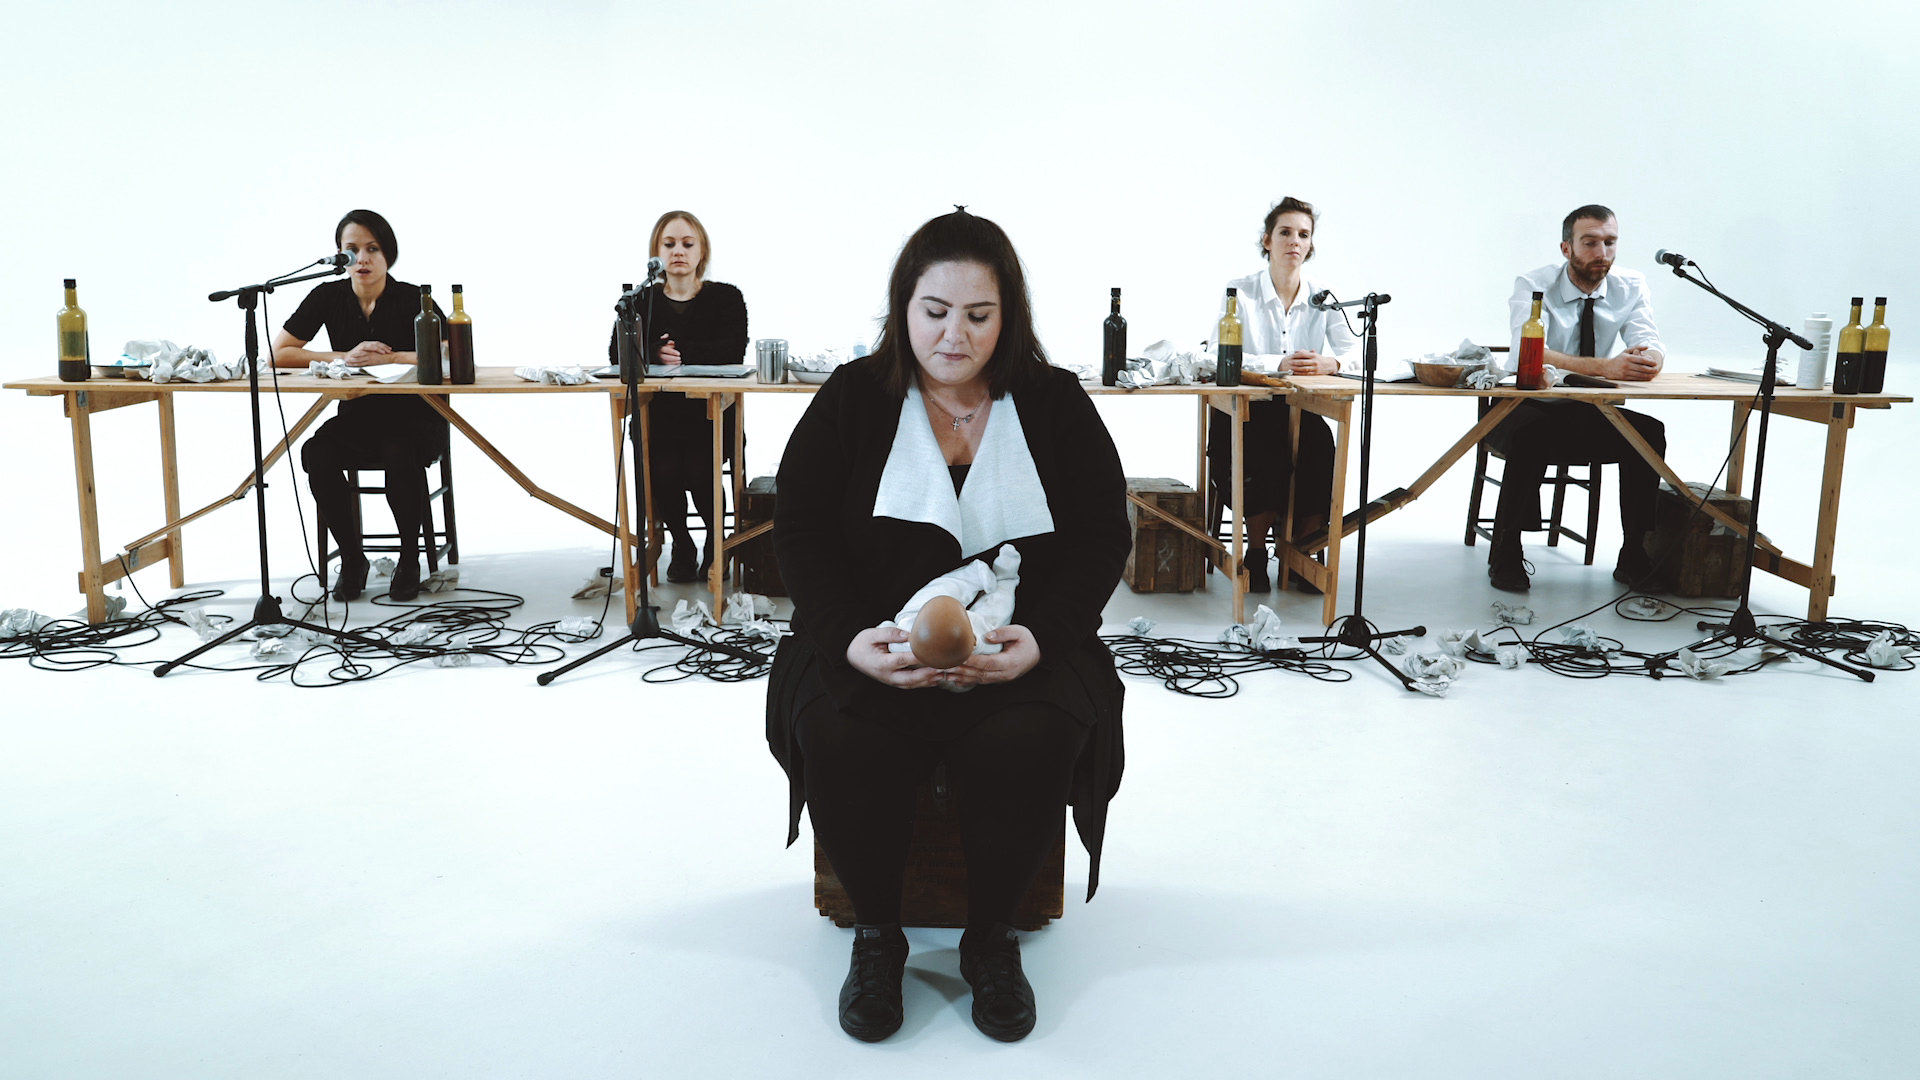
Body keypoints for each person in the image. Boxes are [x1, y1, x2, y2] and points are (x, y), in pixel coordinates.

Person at [766, 209, 1129, 1043]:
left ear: (1009, 317)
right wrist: (849, 638)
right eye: (934, 312)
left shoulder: (1053, 401)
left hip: (1016, 643)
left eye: (978, 314)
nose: (954, 335)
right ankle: (877, 935)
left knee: (1033, 733)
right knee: (843, 730)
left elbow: (1103, 535)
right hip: (875, 642)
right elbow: (800, 531)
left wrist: (1042, 639)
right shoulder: (853, 398)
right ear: (903, 309)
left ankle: (990, 938)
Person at [1487, 204, 1667, 592]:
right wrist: (1607, 367)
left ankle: (1633, 553)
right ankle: (1506, 550)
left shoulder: (1631, 285)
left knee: (1649, 434)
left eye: (1610, 242)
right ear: (1566, 248)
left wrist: (1649, 358)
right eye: (1590, 243)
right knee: (1531, 432)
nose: (1602, 253)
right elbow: (1527, 354)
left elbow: (1648, 338)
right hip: (1524, 406)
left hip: (1590, 412)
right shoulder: (1534, 284)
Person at [272, 209, 447, 602]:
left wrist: (393, 357)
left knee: (399, 449)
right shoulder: (327, 296)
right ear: (340, 255)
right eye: (352, 250)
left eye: (373, 249)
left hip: (416, 417)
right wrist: (345, 356)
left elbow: (450, 353)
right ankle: (352, 559)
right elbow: (278, 354)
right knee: (317, 451)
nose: (362, 259)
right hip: (356, 417)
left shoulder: (414, 297)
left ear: (388, 255)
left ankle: (409, 559)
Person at [1206, 196, 1357, 593]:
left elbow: (1355, 352)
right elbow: (1216, 354)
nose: (1294, 241)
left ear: (1310, 244)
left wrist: (1331, 363)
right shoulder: (1240, 291)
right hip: (1247, 408)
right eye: (1285, 232)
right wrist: (1278, 362)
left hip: (1301, 407)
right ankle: (1256, 552)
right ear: (1267, 240)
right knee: (1263, 455)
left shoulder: (1323, 295)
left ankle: (1301, 553)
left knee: (1320, 450)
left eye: (1303, 234)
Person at [607, 211, 749, 583]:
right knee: (662, 467)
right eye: (669, 244)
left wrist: (680, 349)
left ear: (702, 251)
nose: (678, 252)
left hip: (711, 417)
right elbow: (615, 354)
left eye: (687, 244)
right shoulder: (640, 299)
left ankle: (715, 543)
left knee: (702, 468)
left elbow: (732, 350)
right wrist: (652, 352)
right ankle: (681, 544)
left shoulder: (727, 297)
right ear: (656, 253)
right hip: (660, 417)